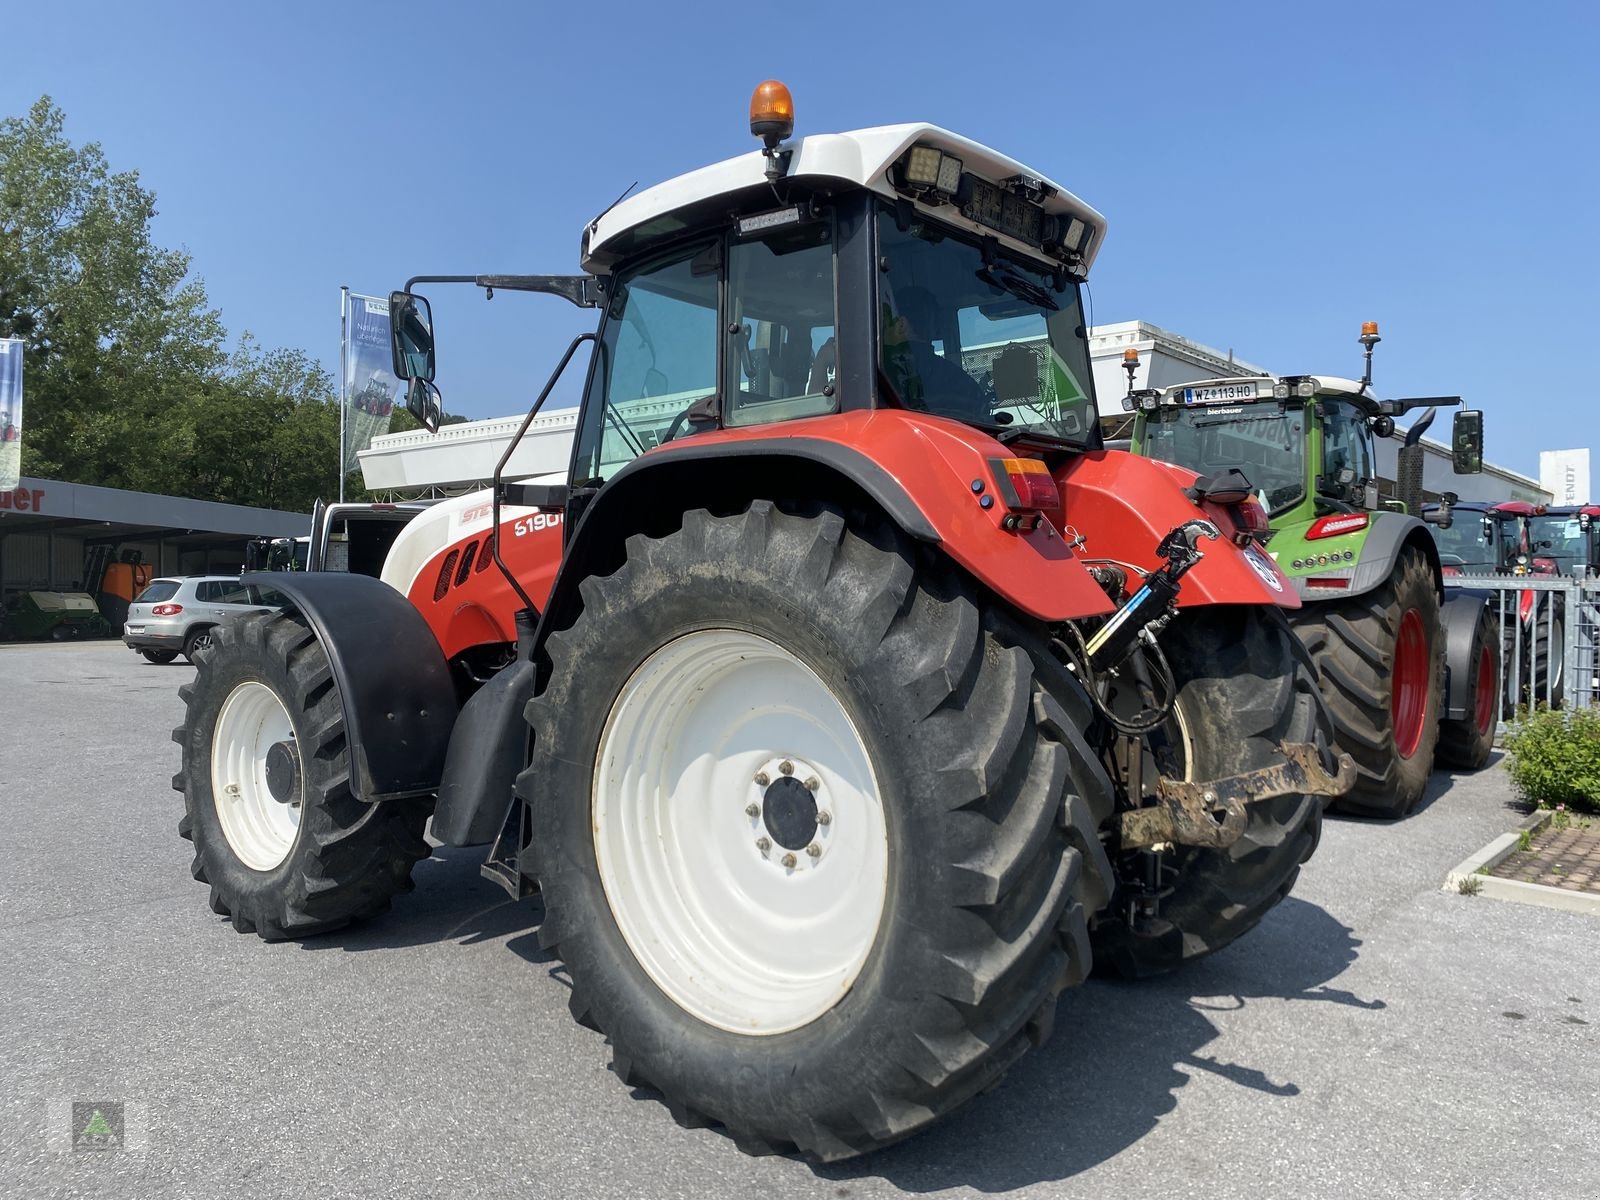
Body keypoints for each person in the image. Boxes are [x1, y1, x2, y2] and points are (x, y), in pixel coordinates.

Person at [880, 286, 989, 421]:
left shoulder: (878, 378)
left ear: (901, 325)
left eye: (886, 324)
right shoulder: (965, 384)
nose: (881, 332)